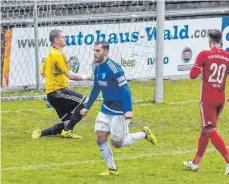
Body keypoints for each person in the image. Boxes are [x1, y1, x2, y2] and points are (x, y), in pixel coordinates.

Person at [80, 41, 157, 176]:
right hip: (105, 108)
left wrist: (128, 109)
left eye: (98, 51)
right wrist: (87, 107)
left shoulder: (114, 68)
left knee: (117, 144)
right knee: (100, 138)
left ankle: (144, 134)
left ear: (106, 52)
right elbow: (96, 88)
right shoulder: (97, 68)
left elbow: (125, 89)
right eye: (94, 50)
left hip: (118, 109)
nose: (94, 53)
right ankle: (112, 169)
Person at [183, 29, 229, 175]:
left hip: (208, 99)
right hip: (220, 99)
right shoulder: (227, 56)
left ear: (209, 41)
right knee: (205, 130)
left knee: (209, 130)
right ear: (221, 41)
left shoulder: (204, 54)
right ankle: (195, 163)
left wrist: (201, 68)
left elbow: (192, 75)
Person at [32, 29, 92, 139]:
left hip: (51, 94)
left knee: (67, 122)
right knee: (86, 102)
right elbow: (71, 76)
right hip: (58, 91)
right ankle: (68, 131)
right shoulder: (57, 54)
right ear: (56, 40)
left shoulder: (53, 53)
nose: (65, 39)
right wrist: (89, 77)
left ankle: (40, 133)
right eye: (63, 37)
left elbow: (44, 72)